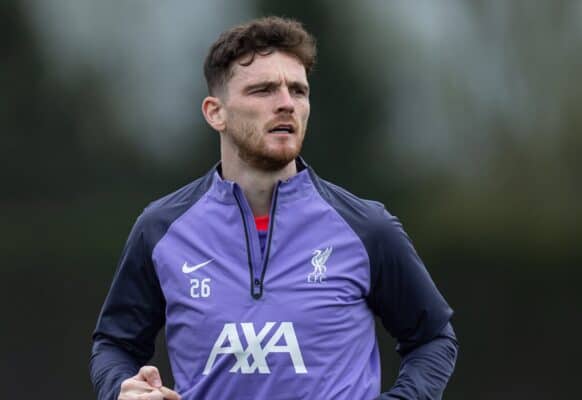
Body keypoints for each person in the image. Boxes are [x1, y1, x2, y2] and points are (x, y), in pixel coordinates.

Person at [90, 16, 458, 400]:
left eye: (298, 91)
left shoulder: (367, 227)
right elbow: (115, 345)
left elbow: (433, 338)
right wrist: (121, 389)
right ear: (216, 112)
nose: (286, 104)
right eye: (263, 90)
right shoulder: (161, 228)